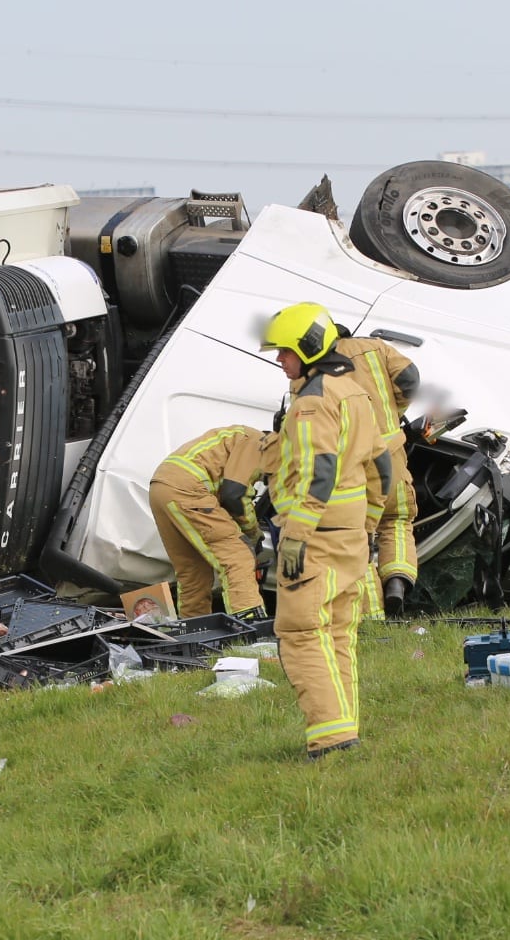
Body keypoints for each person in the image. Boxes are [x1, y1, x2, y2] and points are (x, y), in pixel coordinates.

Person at [260, 302, 386, 759]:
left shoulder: (312, 401)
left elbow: (319, 470)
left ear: (307, 348)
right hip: (350, 535)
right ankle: (343, 729)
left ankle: (330, 738)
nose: (280, 360)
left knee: (300, 634)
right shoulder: (353, 391)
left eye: (284, 352)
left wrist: (296, 532)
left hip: (315, 539)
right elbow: (383, 464)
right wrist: (369, 524)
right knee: (337, 634)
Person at [333, 326, 421, 617]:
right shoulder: (375, 348)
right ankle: (396, 583)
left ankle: (372, 615)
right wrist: (395, 414)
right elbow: (409, 379)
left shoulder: (313, 365)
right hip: (391, 453)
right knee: (396, 520)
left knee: (359, 534)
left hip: (351, 464)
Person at [148, 425, 271, 618]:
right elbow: (235, 495)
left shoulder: (237, 437)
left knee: (193, 572)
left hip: (161, 488)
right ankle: (250, 634)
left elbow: (226, 492)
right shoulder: (257, 442)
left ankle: (194, 632)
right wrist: (253, 535)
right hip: (188, 488)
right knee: (238, 557)